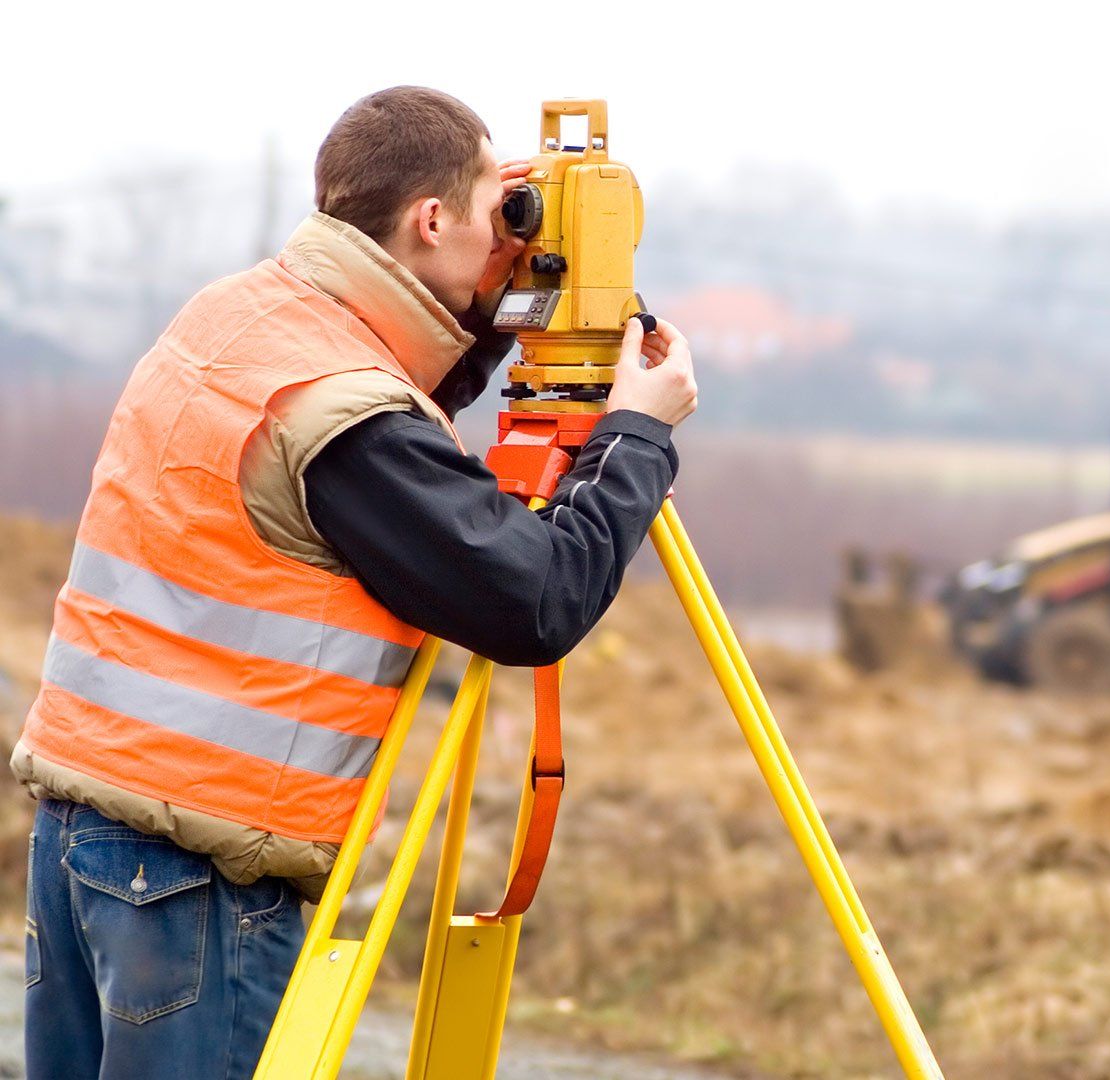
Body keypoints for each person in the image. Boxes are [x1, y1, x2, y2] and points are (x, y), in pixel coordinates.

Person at [9, 86, 697, 1079]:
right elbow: (535, 601)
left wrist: (498, 312)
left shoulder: (244, 315)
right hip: (197, 874)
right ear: (429, 221)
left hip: (86, 833)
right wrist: (638, 433)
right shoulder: (348, 418)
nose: (507, 230)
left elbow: (386, 409)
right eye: (488, 208)